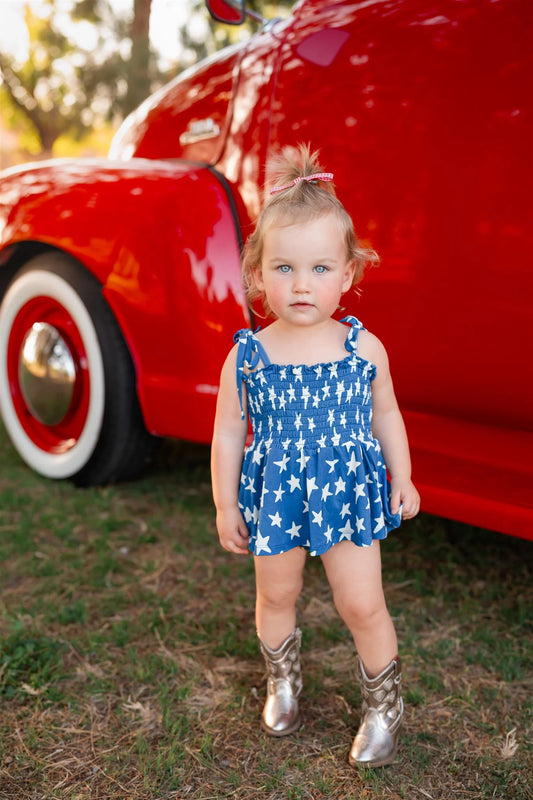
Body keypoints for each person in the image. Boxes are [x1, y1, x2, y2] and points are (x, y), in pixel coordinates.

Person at [211, 145, 420, 768]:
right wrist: (226, 502)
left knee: (362, 602)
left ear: (349, 272)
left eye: (321, 268)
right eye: (284, 268)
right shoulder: (248, 355)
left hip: (348, 494)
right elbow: (228, 430)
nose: (302, 284)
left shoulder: (363, 349)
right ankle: (282, 679)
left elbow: (387, 414)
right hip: (276, 494)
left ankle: (383, 705)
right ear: (258, 273)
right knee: (278, 595)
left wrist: (402, 476)